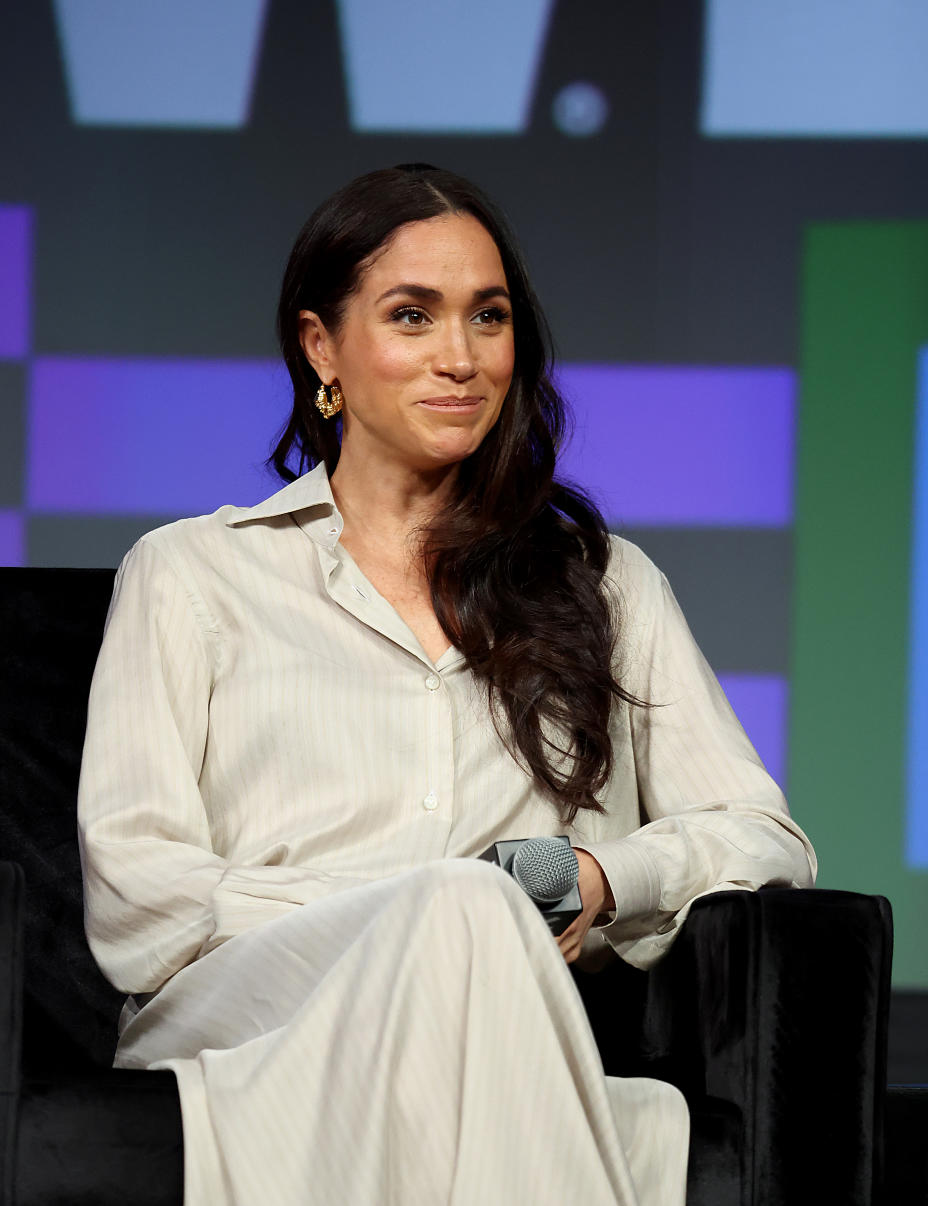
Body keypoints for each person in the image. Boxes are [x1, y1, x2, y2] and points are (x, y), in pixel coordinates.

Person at [77, 164, 816, 1206]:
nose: (460, 359)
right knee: (470, 914)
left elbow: (766, 837)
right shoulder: (192, 574)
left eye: (490, 317)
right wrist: (419, 909)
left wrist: (601, 880)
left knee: (468, 945)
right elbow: (137, 901)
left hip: (498, 1023)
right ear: (321, 346)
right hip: (252, 1009)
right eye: (412, 316)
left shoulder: (605, 584)